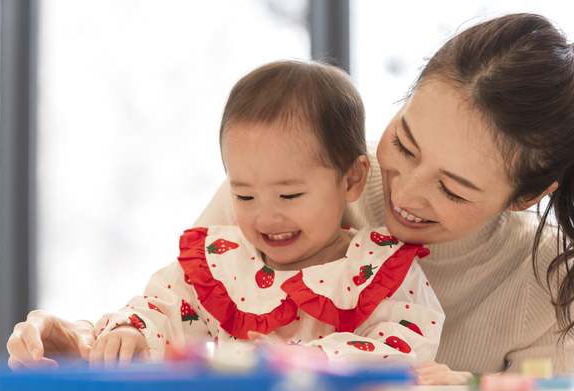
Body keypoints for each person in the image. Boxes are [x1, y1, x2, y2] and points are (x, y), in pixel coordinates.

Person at [7, 12, 574, 385]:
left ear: (525, 196)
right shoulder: (284, 185)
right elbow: (177, 317)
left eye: (452, 188)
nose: (405, 190)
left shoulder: (549, 281)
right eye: (403, 141)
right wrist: (89, 341)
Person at [87, 59, 443, 369]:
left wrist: (311, 359)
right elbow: (161, 308)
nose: (266, 216)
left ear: (351, 179)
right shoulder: (222, 263)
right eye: (243, 195)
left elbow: (401, 348)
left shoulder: (378, 269)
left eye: (289, 194)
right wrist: (131, 330)